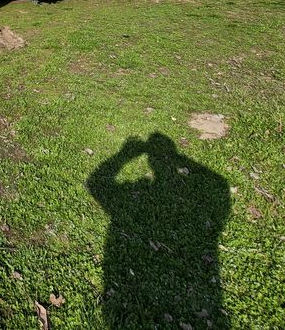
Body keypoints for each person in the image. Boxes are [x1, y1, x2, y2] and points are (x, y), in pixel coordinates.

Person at [86, 133, 231, 328]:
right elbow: (217, 183)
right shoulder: (215, 188)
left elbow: (95, 183)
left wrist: (124, 155)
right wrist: (177, 158)